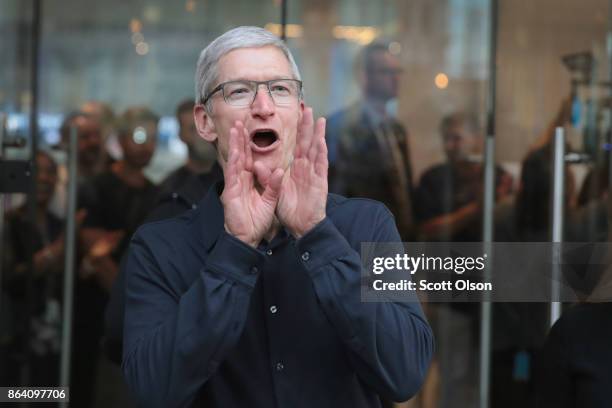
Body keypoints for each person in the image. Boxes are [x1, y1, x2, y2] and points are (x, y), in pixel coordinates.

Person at [122, 26, 434, 408]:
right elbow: (152, 392)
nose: (263, 106)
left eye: (280, 89)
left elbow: (405, 374)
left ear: (300, 115)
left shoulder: (365, 225)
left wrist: (317, 235)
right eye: (239, 91)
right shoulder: (160, 247)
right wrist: (235, 250)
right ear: (204, 122)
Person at [71, 106, 159, 407]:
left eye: (153, 137)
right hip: (97, 316)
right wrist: (129, 301)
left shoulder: (158, 194)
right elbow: (96, 257)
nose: (147, 144)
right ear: (120, 140)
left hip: (138, 322)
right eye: (139, 136)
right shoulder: (96, 188)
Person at [327, 41, 415, 240]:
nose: (396, 78)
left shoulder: (397, 129)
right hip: (360, 241)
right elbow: (337, 195)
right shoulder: (341, 127)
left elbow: (404, 192)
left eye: (397, 71)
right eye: (386, 71)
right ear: (364, 77)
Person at [415, 112, 513, 242]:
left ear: (477, 139)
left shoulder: (497, 175)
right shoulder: (433, 178)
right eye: (446, 139)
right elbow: (428, 230)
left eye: (456, 138)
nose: (448, 146)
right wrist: (477, 208)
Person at [159, 99, 218, 195]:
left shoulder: (234, 180)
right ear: (181, 135)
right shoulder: (170, 189)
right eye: (193, 129)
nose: (203, 134)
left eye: (207, 125)